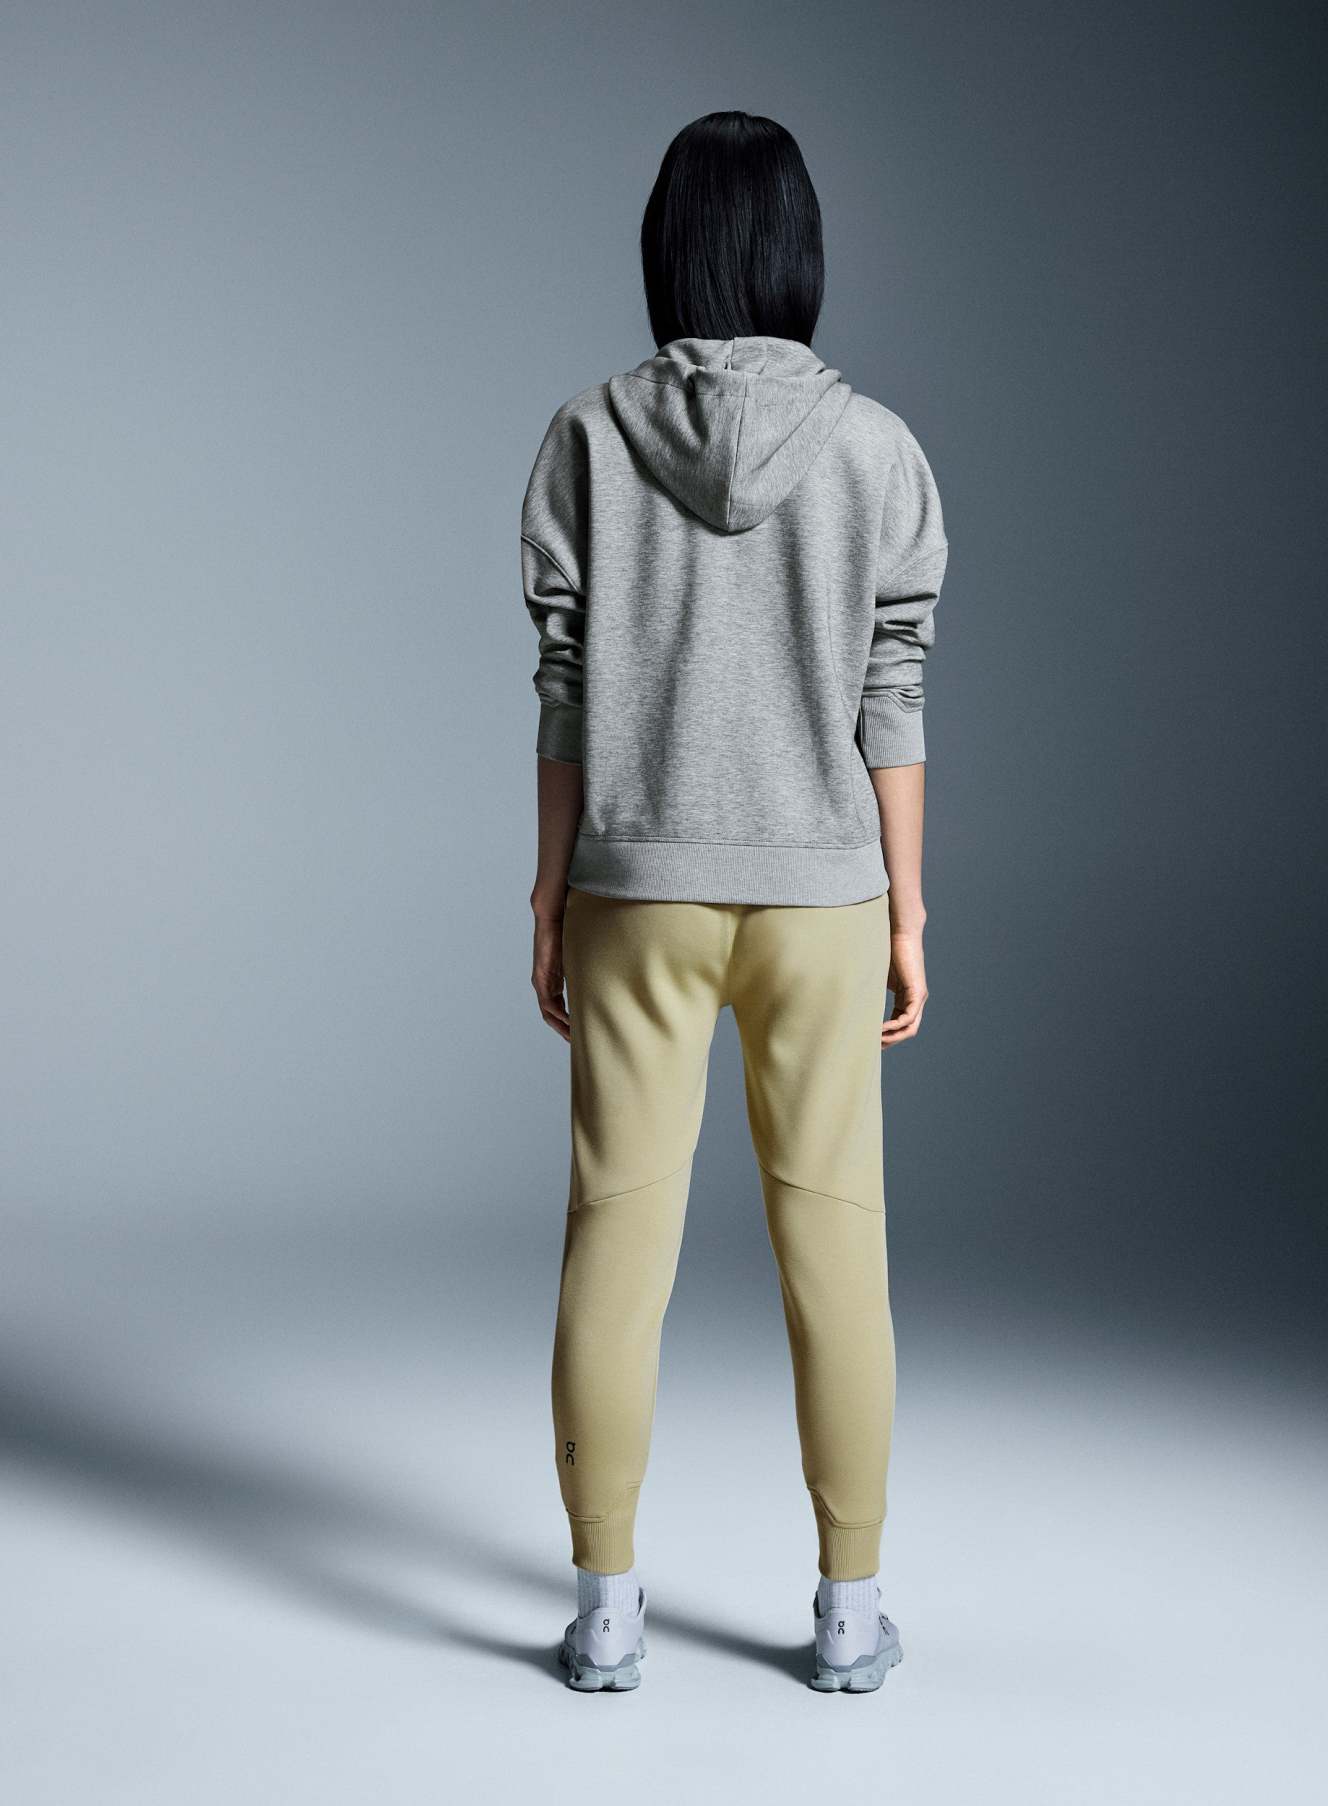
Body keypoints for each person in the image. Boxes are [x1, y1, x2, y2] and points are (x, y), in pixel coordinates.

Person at [521, 110, 947, 1693]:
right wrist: (905, 908)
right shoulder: (875, 446)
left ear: (667, 252)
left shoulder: (586, 434)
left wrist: (552, 890)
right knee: (836, 1248)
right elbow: (892, 687)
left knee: (613, 1238)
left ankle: (606, 1611)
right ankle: (847, 1613)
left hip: (634, 880)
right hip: (821, 890)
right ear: (794, 254)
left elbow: (564, 683)